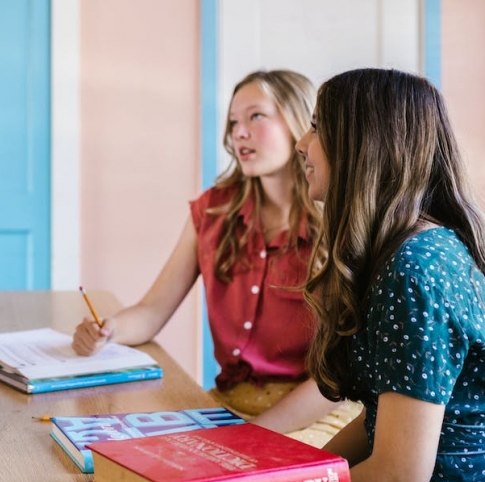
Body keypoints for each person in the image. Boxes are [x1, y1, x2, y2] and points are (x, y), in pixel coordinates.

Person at [73, 70, 359, 447]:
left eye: (256, 116)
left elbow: (334, 379)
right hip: (227, 406)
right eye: (234, 122)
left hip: (316, 415)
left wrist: (247, 437)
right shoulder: (212, 213)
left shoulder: (341, 225)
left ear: (299, 122)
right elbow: (151, 311)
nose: (238, 133)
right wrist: (106, 332)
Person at [298, 68, 485, 482]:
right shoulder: (405, 252)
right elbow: (380, 421)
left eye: (316, 127)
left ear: (364, 146)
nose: (301, 145)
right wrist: (298, 481)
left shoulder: (415, 271)